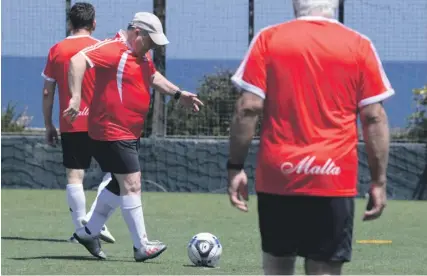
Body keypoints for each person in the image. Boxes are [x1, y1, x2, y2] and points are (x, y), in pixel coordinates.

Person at [226, 0, 393, 275]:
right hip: (333, 177)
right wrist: (379, 181)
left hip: (279, 176)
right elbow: (374, 117)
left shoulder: (269, 39)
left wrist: (234, 167)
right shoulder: (359, 45)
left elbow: (248, 107)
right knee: (324, 268)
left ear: (295, 5)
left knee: (277, 265)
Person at [64, 12, 204, 261]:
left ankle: (88, 232)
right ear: (137, 32)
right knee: (132, 183)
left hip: (128, 131)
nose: (152, 46)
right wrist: (75, 96)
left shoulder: (141, 55)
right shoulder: (113, 49)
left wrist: (177, 93)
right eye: (150, 40)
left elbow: (151, 77)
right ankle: (141, 246)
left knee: (119, 185)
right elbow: (77, 60)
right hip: (111, 131)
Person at [41, 2, 116, 244]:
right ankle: (94, 222)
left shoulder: (57, 50)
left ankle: (80, 229)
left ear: (69, 23)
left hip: (71, 120)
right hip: (102, 122)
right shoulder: (103, 48)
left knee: (75, 176)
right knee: (117, 172)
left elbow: (47, 93)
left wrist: (49, 125)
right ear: (93, 24)